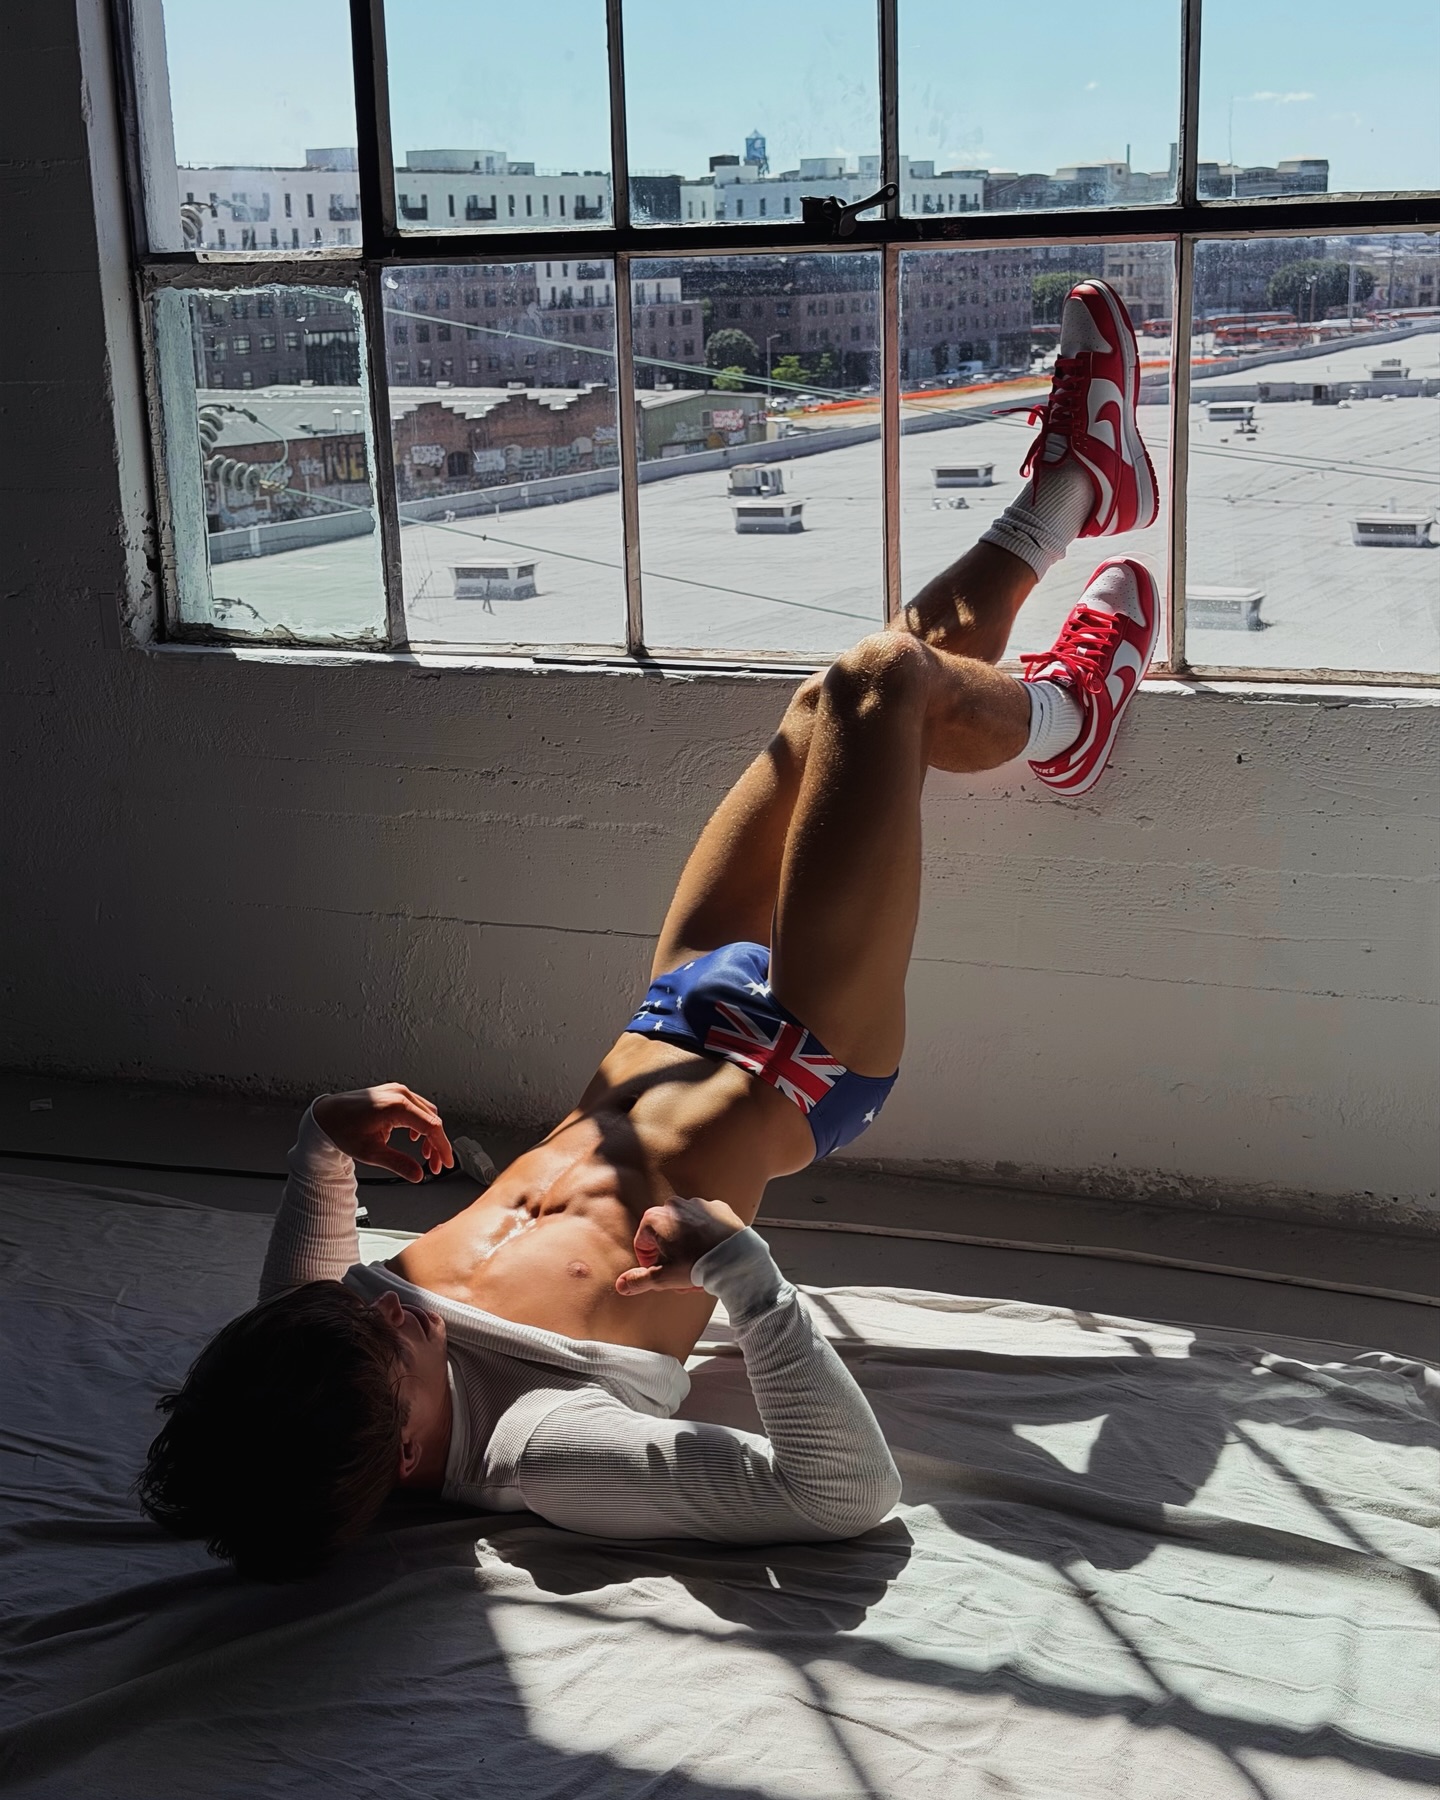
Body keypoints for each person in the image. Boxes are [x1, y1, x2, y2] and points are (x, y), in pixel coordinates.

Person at [140, 278, 1160, 1580]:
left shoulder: (306, 1360)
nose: (379, 1301)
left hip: (674, 1008)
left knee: (827, 708)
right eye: (391, 1335)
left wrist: (321, 1137)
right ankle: (1070, 704)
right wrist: (745, 1278)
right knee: (881, 684)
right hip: (803, 1056)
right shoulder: (545, 1448)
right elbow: (844, 1495)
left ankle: (1080, 489)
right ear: (401, 1459)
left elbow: (308, 1281)